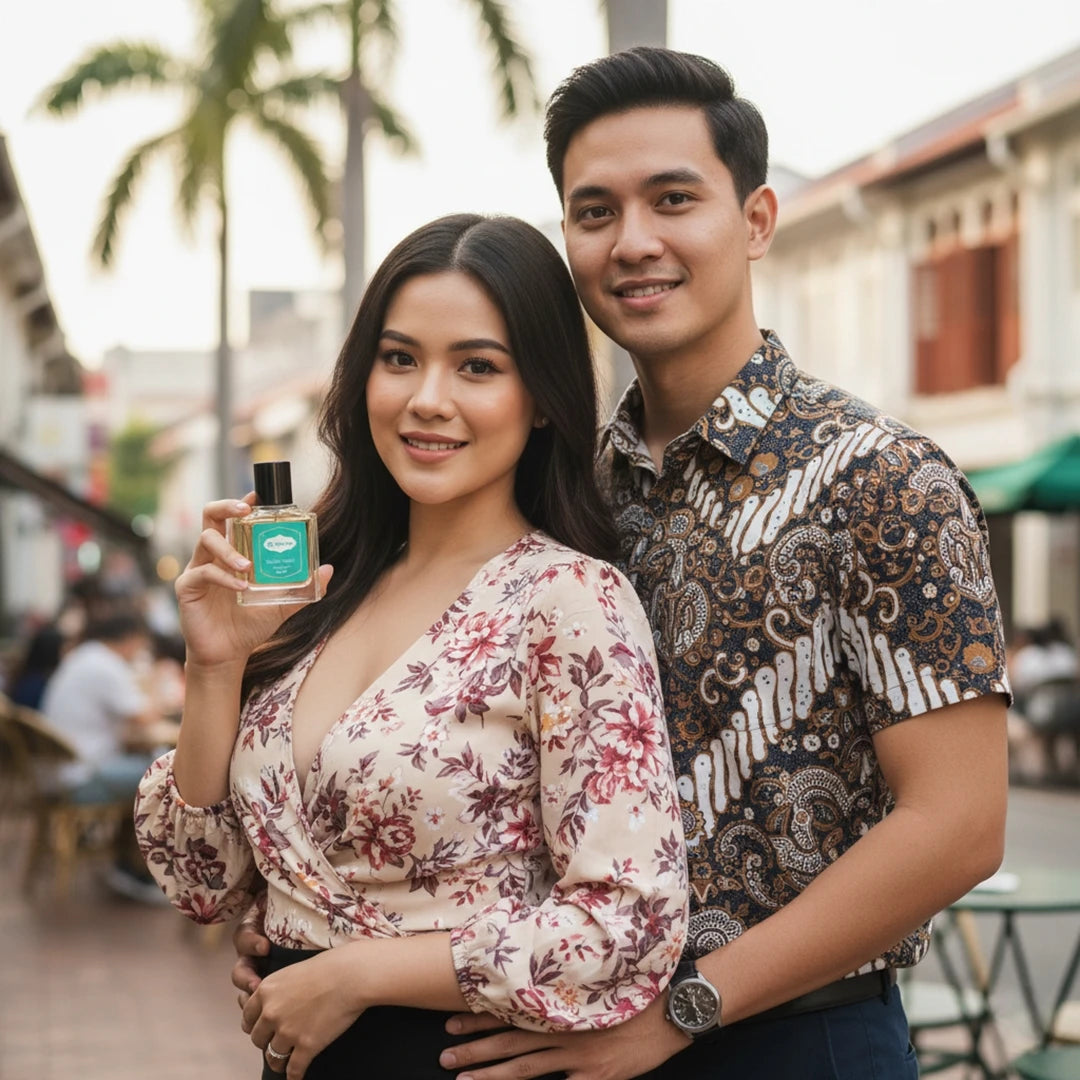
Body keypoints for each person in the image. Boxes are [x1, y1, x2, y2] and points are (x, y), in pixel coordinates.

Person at [382, 47, 1007, 1080]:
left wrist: (688, 1010)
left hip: (802, 1040)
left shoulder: (885, 479)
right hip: (568, 1036)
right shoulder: (564, 491)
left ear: (756, 220)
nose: (634, 242)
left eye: (673, 199)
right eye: (594, 213)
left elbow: (958, 825)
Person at [135, 213, 688, 1080]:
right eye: (400, 359)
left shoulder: (567, 601)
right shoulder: (319, 586)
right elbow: (201, 880)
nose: (428, 397)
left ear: (540, 397)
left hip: (457, 1059)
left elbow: (629, 922)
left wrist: (359, 975)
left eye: (477, 366)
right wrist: (216, 665)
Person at [39, 611, 162, 898]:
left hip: (59, 772)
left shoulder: (86, 656)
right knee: (162, 778)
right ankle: (134, 870)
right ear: (131, 640)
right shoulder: (105, 666)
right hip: (78, 779)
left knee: (150, 769)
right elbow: (145, 715)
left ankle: (125, 864)